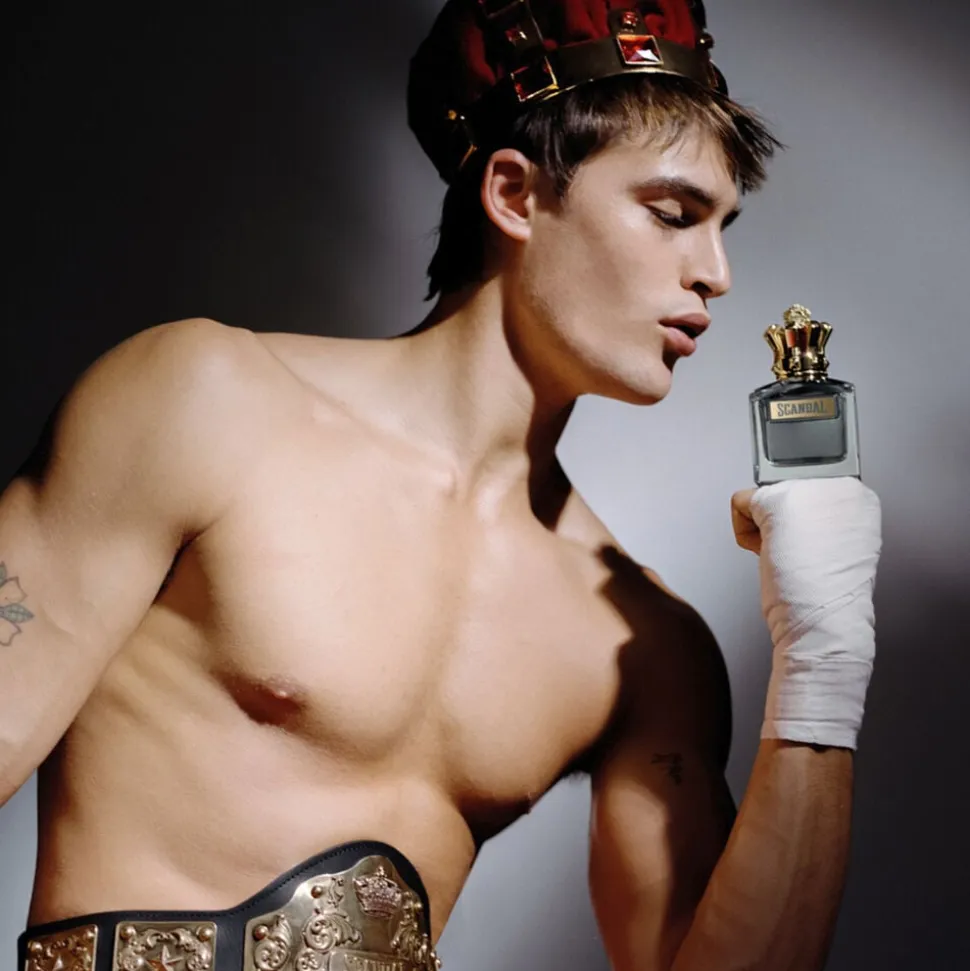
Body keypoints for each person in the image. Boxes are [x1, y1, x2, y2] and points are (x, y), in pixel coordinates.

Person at [3, 2, 882, 970]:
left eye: (723, 229)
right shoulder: (203, 401)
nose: (714, 273)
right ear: (514, 194)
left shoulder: (642, 640)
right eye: (672, 215)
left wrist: (824, 664)